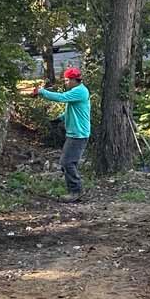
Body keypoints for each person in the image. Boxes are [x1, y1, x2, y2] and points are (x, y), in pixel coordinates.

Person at [37, 66, 91, 201]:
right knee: (67, 162)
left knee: (67, 162)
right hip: (75, 132)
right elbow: (73, 111)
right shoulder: (77, 90)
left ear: (74, 80)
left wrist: (42, 92)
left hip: (78, 134)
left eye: (67, 80)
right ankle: (75, 190)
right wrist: (60, 118)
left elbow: (61, 97)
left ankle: (76, 192)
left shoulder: (79, 91)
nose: (65, 83)